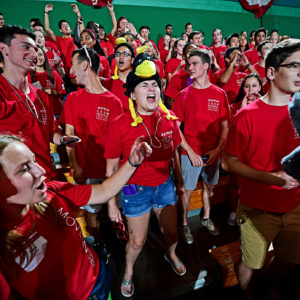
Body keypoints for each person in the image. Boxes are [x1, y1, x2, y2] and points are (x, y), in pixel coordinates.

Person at [0, 133, 151, 300]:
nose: (41, 171)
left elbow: (104, 191)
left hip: (99, 279)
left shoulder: (53, 192)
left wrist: (132, 162)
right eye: (25, 168)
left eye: (34, 161)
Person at [105, 53, 188, 297]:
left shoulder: (169, 120)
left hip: (164, 186)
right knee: (138, 242)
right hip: (135, 191)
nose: (152, 88)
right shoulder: (119, 124)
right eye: (144, 85)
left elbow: (173, 153)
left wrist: (180, 182)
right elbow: (110, 169)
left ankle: (170, 253)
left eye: (155, 84)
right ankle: (129, 271)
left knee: (172, 233)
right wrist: (111, 203)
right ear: (132, 94)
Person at [222, 38, 300, 299]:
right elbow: (228, 162)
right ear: (271, 72)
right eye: (294, 66)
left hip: (295, 206)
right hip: (257, 208)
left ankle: (271, 284)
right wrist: (271, 178)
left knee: (292, 259)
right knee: (251, 263)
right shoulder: (247, 115)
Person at [0, 25, 77, 180]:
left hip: (45, 178)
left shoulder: (42, 96)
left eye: (35, 49)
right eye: (26, 47)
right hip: (12, 186)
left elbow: (49, 133)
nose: (34, 54)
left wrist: (62, 139)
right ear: (4, 50)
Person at [172, 49, 230, 241]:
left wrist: (218, 149)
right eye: (189, 64)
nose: (190, 67)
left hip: (213, 153)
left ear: (206, 66)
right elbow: (175, 127)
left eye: (195, 63)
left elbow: (224, 124)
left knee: (210, 188)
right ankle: (184, 224)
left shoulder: (220, 94)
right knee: (186, 190)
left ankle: (206, 217)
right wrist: (190, 152)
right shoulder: (183, 95)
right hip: (190, 153)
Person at [29, 46, 65, 117]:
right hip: (40, 113)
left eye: (40, 54)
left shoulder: (53, 73)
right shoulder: (28, 75)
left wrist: (53, 91)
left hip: (56, 112)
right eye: (35, 55)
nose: (38, 57)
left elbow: (62, 93)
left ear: (45, 57)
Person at [44, 4, 77, 76]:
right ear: (60, 30)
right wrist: (46, 12)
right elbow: (47, 29)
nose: (66, 27)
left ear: (70, 29)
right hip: (63, 72)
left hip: (76, 71)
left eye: (67, 25)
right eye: (63, 26)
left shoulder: (76, 40)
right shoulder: (58, 40)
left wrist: (78, 13)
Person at [102, 41, 135, 111]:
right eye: (118, 54)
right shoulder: (108, 84)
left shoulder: (139, 83)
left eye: (125, 54)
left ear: (132, 60)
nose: (121, 57)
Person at [164, 43, 197, 108]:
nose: (193, 55)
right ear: (183, 57)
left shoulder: (202, 75)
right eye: (190, 52)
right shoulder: (176, 77)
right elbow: (171, 103)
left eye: (195, 52)